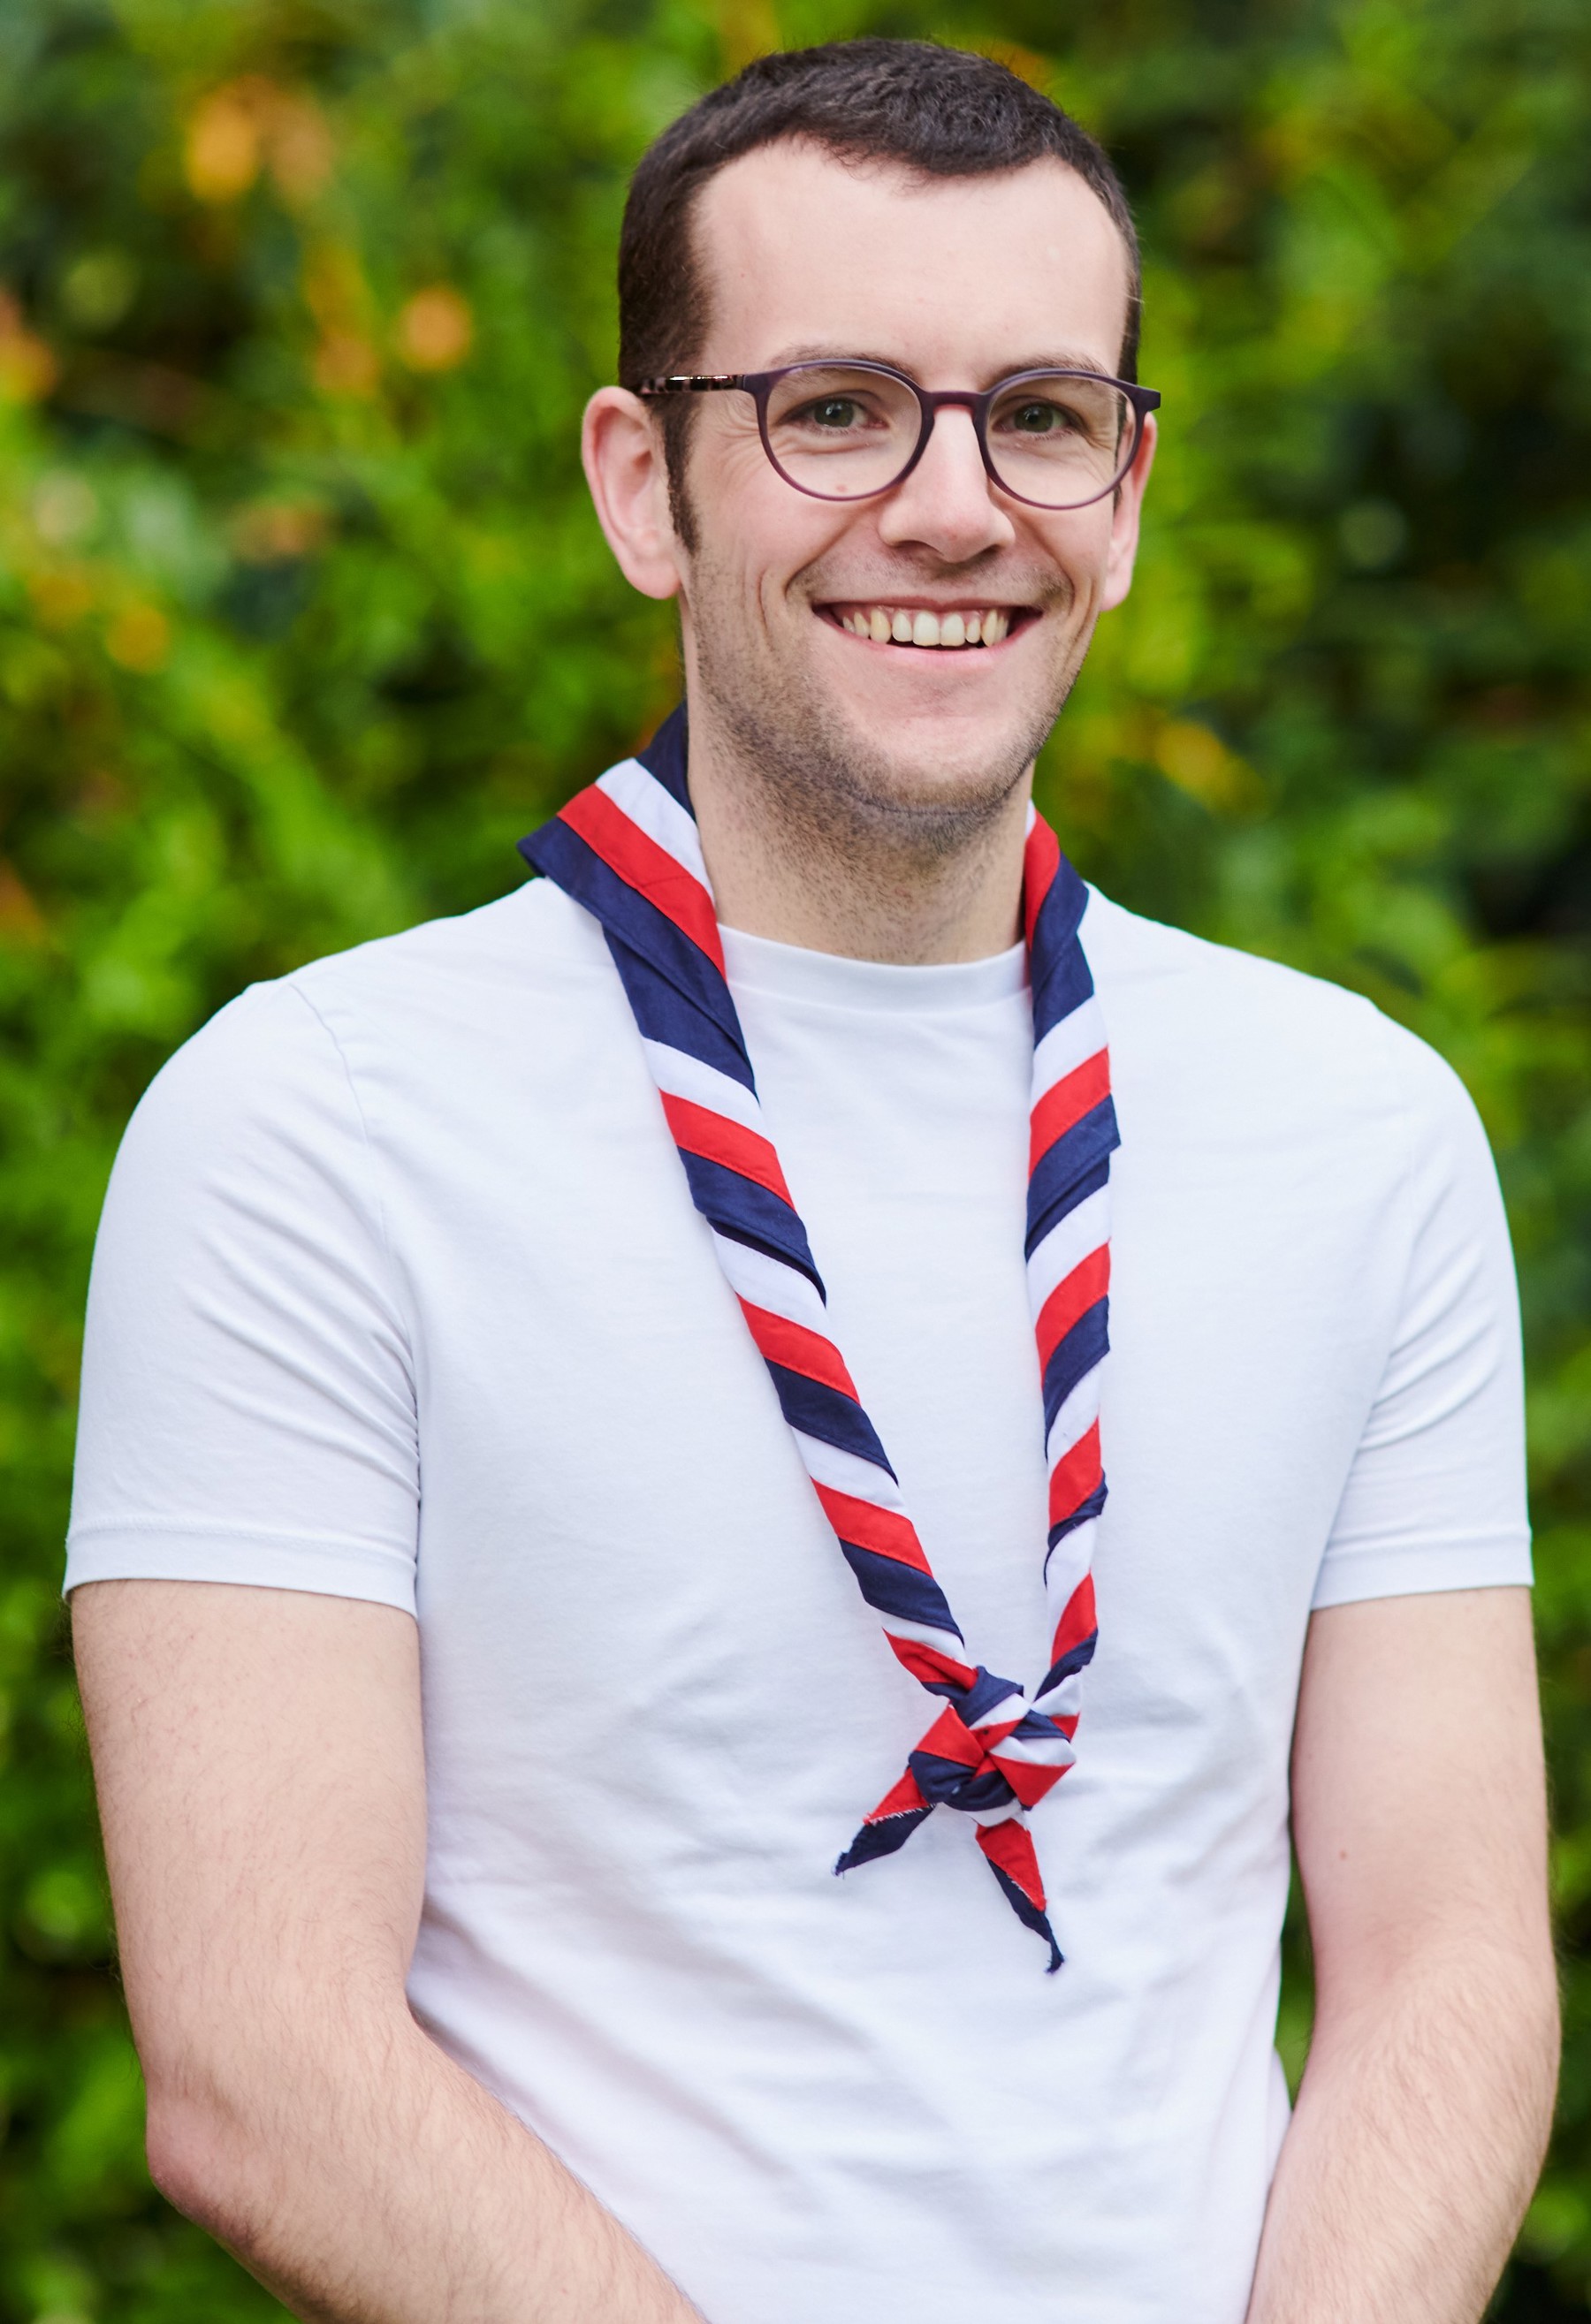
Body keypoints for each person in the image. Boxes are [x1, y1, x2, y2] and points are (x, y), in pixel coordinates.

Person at [67, 38, 1557, 2324]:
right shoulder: (312, 1132)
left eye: (1040, 414)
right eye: (836, 406)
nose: (954, 505)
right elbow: (264, 2065)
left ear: (1131, 489)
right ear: (640, 483)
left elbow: (1450, 1972)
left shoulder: (1356, 1127)